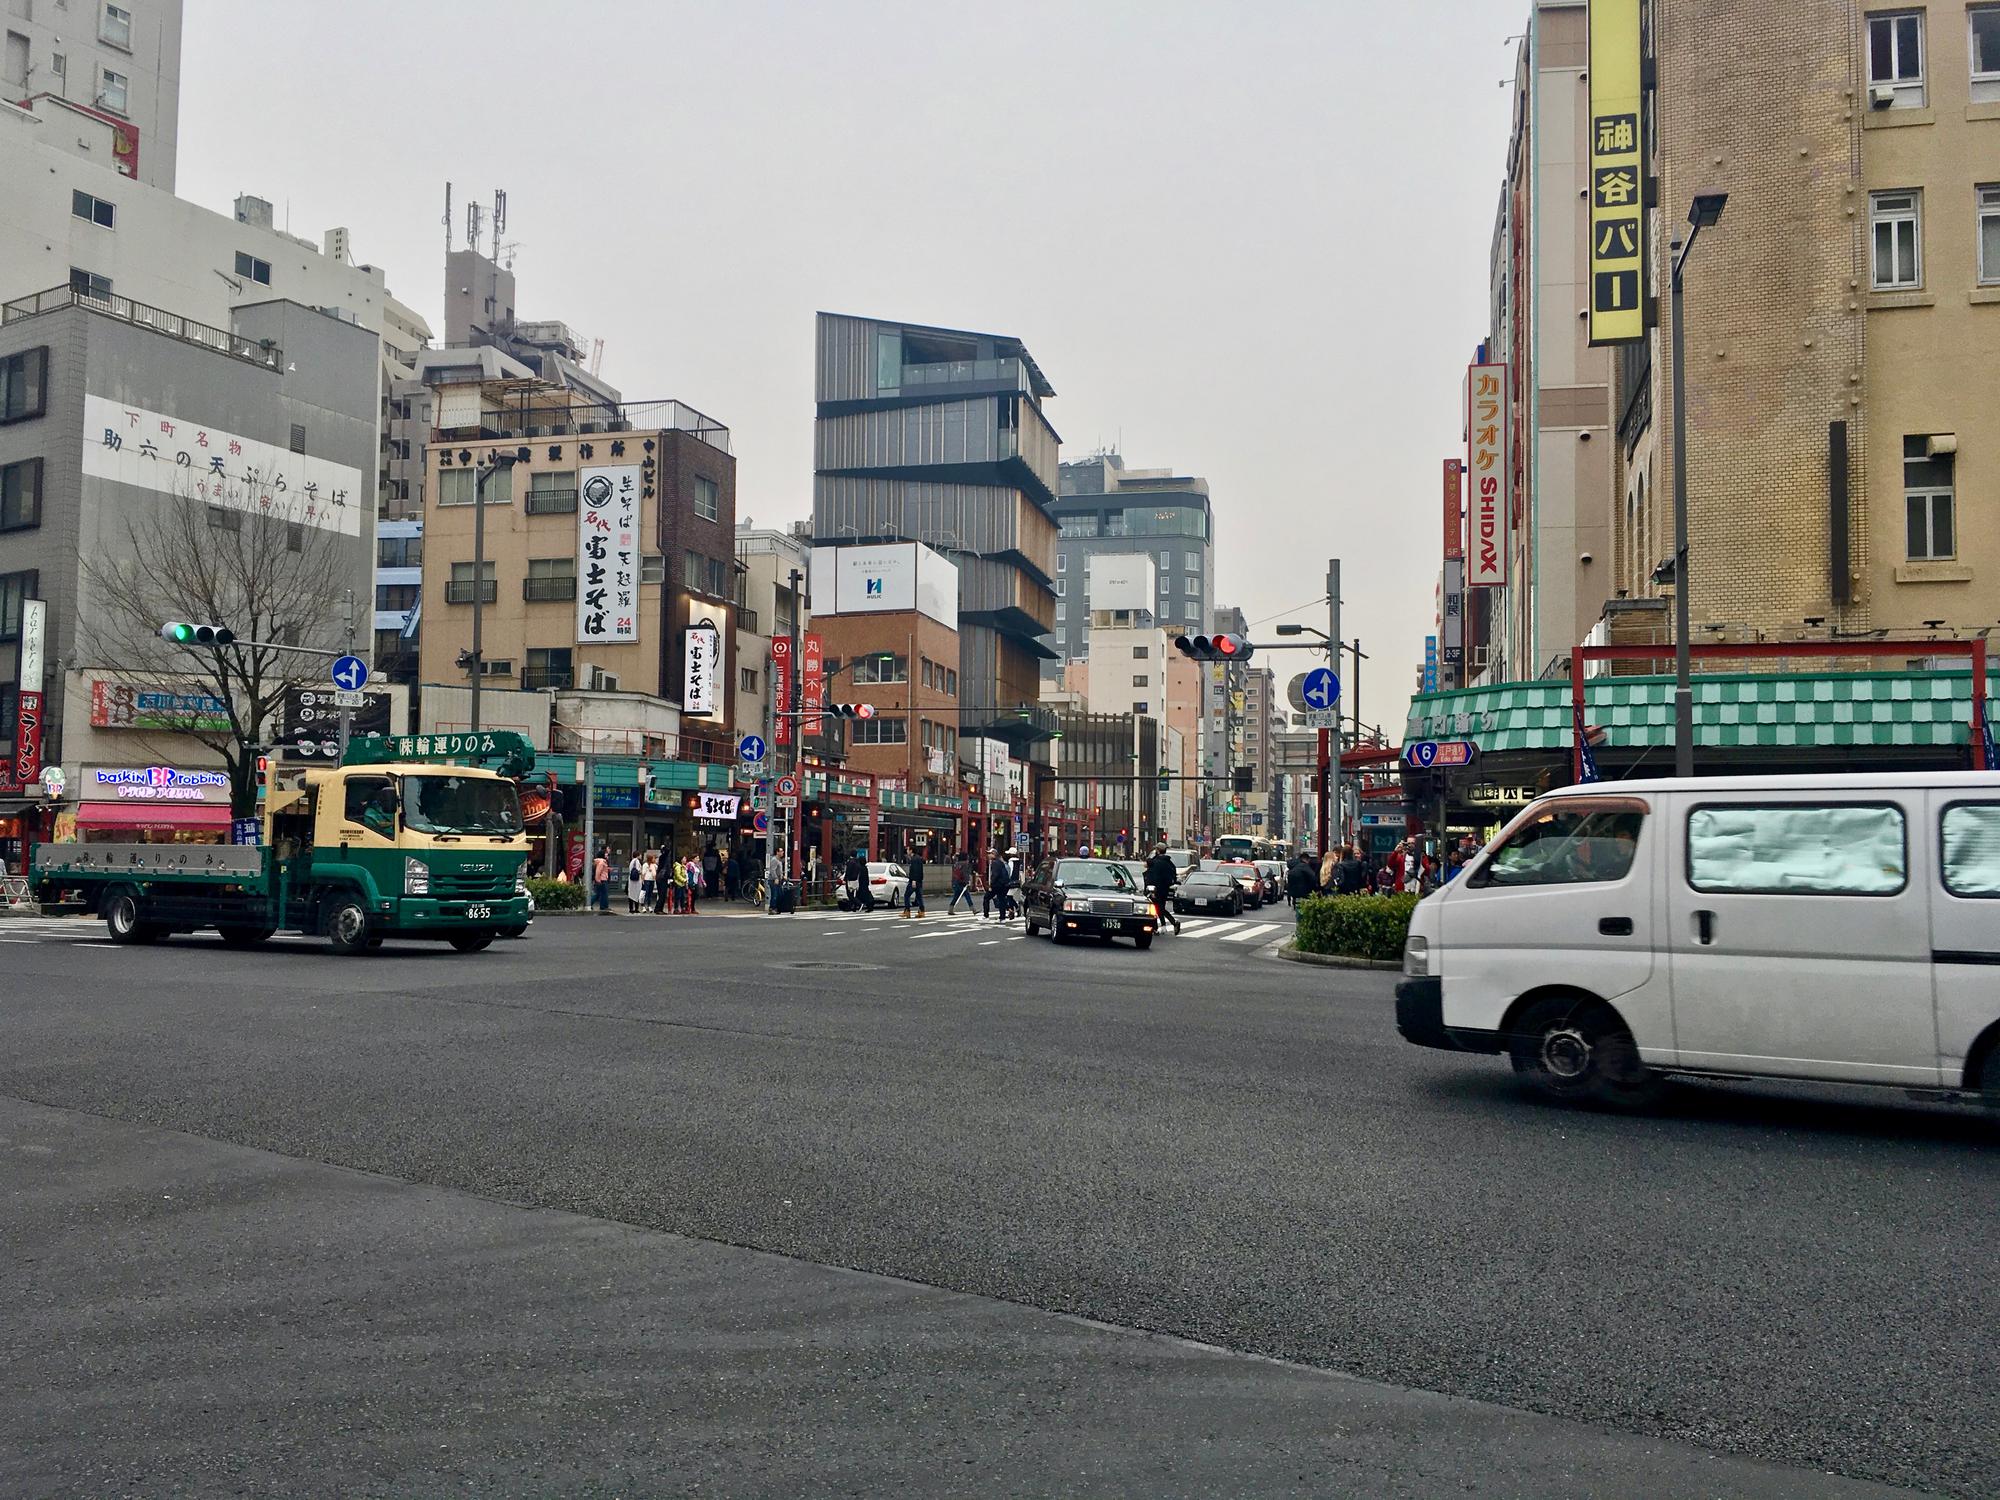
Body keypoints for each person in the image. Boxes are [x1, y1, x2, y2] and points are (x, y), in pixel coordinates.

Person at [1144, 842, 1182, 934]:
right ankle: (1168, 924)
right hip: (1165, 889)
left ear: (1157, 850)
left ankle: (1159, 926)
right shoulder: (1169, 862)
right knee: (1160, 907)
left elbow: (1151, 874)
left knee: (1155, 907)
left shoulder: (1155, 862)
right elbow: (1173, 875)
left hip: (1154, 889)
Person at [984, 847, 1010, 920]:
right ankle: (1002, 917)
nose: (988, 855)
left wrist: (991, 885)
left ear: (994, 854)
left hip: (997, 884)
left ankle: (986, 915)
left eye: (989, 853)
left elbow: (995, 875)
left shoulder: (995, 863)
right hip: (1003, 884)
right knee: (1001, 899)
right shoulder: (1000, 862)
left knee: (986, 898)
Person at [947, 850, 974, 915]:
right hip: (962, 882)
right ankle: (973, 909)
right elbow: (965, 874)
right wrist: (967, 881)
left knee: (956, 896)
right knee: (967, 896)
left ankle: (950, 909)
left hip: (956, 882)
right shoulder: (965, 864)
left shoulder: (956, 864)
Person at [903, 845, 927, 918]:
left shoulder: (914, 859)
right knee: (919, 896)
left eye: (908, 849)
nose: (907, 851)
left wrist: (913, 880)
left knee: (906, 895)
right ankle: (921, 911)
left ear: (911, 850)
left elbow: (915, 870)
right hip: (919, 880)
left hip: (914, 880)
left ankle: (907, 911)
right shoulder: (918, 858)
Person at [591, 848, 612, 912]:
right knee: (603, 893)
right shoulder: (601, 862)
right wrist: (597, 879)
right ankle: (603, 906)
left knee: (599, 894)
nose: (607, 855)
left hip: (602, 879)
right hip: (602, 879)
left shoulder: (601, 862)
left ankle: (590, 904)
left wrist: (607, 869)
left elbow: (602, 870)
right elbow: (598, 871)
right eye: (606, 854)